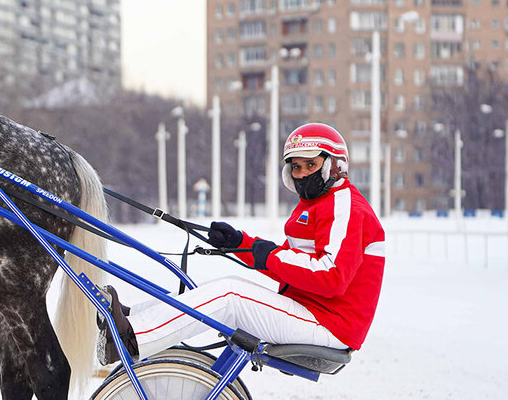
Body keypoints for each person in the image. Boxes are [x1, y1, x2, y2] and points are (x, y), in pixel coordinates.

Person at [100, 123, 385, 362]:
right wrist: (240, 243)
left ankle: (131, 338)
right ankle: (135, 317)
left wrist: (270, 256)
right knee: (227, 288)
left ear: (334, 165)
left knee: (230, 294)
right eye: (296, 167)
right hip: (310, 311)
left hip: (331, 325)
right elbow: (294, 266)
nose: (301, 174)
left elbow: (331, 276)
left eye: (310, 164)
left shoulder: (345, 207)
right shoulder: (317, 205)